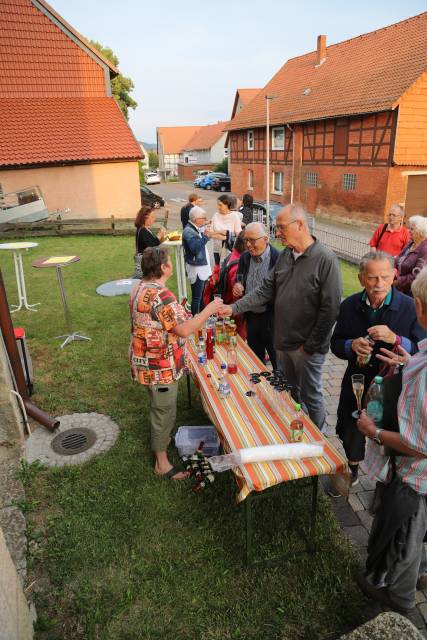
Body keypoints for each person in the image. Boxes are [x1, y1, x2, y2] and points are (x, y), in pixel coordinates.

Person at [220, 202, 341, 430]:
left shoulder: (325, 259)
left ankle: (319, 440)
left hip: (307, 347)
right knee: (291, 390)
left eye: (282, 227)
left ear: (300, 225)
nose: (277, 233)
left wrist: (310, 346)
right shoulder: (286, 255)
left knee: (311, 394)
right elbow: (266, 289)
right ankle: (297, 428)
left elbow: (331, 309)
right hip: (283, 341)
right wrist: (233, 308)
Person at [356, 267, 427, 613]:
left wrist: (375, 432)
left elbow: (421, 445)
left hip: (415, 480)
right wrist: (409, 360)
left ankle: (397, 603)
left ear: (419, 307)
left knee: (404, 542)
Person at [330, 251, 426, 486]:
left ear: (394, 276)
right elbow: (335, 344)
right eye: (372, 278)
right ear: (361, 278)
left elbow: (420, 348)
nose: (379, 284)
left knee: (388, 433)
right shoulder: (350, 304)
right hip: (357, 381)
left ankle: (386, 481)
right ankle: (352, 468)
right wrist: (350, 345)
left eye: (384, 277)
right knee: (350, 428)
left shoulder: (408, 306)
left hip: (393, 387)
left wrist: (396, 338)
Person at [129, 246, 222, 480]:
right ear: (163, 267)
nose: (171, 264)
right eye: (169, 261)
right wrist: (210, 308)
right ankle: (161, 462)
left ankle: (163, 438)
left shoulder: (139, 287)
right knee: (164, 411)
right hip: (160, 366)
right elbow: (185, 330)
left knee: (158, 405)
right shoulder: (162, 295)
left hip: (144, 361)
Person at [232, 222, 279, 367]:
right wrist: (237, 285)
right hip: (251, 319)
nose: (248, 245)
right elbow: (239, 278)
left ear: (265, 239)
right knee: (256, 364)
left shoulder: (279, 259)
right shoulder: (245, 258)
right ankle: (259, 389)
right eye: (246, 240)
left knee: (279, 366)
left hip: (272, 321)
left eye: (252, 240)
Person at [182, 206, 218, 316]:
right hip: (196, 268)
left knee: (201, 296)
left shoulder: (194, 228)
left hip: (200, 267)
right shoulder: (188, 231)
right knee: (197, 297)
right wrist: (206, 237)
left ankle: (202, 318)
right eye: (203, 218)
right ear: (196, 219)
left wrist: (206, 235)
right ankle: (195, 319)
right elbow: (195, 248)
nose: (205, 219)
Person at [220, 231, 246, 338]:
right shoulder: (239, 263)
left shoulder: (233, 255)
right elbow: (238, 294)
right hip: (236, 312)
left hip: (229, 305)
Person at [395, 215, 427, 296]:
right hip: (398, 286)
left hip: (410, 293)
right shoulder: (410, 243)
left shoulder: (425, 249)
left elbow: (417, 275)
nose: (408, 231)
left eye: (412, 229)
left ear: (421, 231)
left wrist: (397, 281)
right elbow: (399, 259)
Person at [134, 206, 166, 278]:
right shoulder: (142, 231)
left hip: (148, 263)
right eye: (152, 217)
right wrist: (159, 235)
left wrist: (161, 237)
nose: (154, 219)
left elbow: (154, 243)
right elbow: (152, 246)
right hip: (146, 265)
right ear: (145, 218)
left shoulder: (146, 229)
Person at [211, 194, 242, 265]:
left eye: (220, 205)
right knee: (218, 270)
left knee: (227, 270)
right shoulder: (215, 215)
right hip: (217, 249)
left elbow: (238, 234)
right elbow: (210, 234)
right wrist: (225, 235)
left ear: (227, 204)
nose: (218, 207)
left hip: (229, 249)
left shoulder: (234, 216)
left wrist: (219, 233)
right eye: (218, 205)